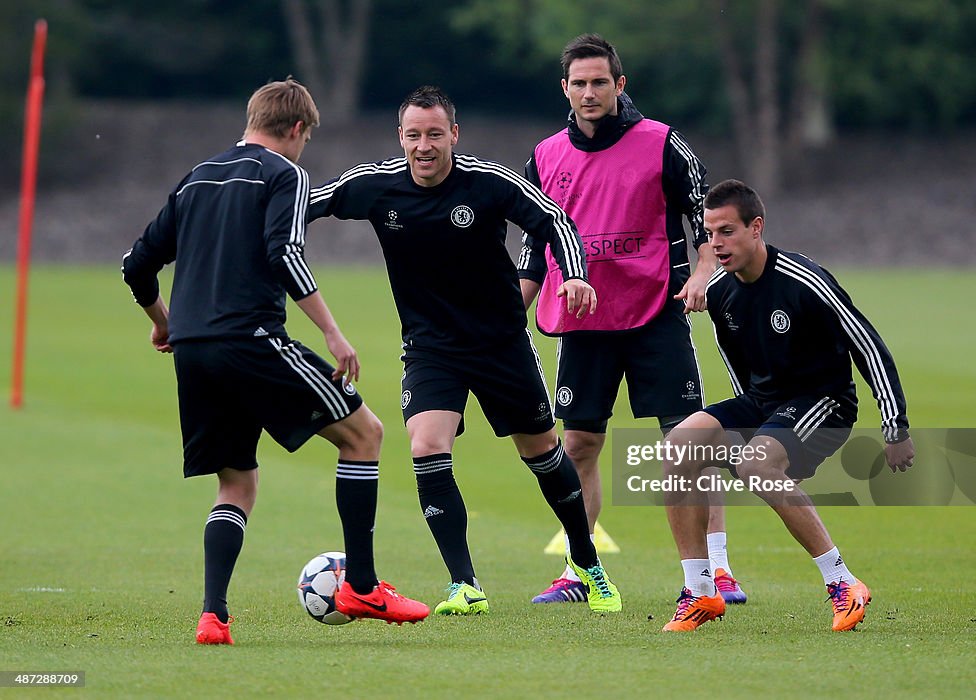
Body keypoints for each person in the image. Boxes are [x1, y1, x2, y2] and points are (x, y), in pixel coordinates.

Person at [120, 78, 430, 645]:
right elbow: (283, 252)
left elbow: (134, 265)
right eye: (305, 138)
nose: (303, 148)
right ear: (296, 129)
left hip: (193, 350)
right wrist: (334, 334)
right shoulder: (284, 174)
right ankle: (361, 584)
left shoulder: (196, 178)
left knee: (236, 481)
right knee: (364, 434)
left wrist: (163, 323)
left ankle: (213, 617)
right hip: (251, 340)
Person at [306, 85, 621, 615]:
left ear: (454, 133)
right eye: (413, 135)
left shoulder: (488, 181)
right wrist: (246, 226)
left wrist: (573, 275)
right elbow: (301, 204)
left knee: (542, 454)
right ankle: (465, 584)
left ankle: (588, 563)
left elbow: (555, 222)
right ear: (399, 137)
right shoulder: (374, 186)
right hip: (431, 347)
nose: (423, 145)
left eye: (434, 134)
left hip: (500, 343)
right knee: (427, 445)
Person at [518, 33, 746, 605]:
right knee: (578, 447)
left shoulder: (665, 146)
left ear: (620, 85)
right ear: (564, 89)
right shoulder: (545, 156)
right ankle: (580, 569)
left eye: (600, 82)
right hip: (585, 320)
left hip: (656, 318)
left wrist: (698, 278)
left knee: (688, 446)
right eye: (579, 83)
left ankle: (717, 569)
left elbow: (708, 230)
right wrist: (508, 315)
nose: (589, 92)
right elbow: (533, 249)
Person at [660, 179, 915, 632]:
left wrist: (895, 427)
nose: (715, 244)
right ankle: (700, 593)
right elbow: (743, 372)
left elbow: (869, 347)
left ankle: (843, 583)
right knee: (679, 448)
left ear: (756, 228)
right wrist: (756, 432)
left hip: (826, 403)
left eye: (726, 232)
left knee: (756, 465)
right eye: (709, 233)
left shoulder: (805, 281)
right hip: (765, 403)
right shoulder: (720, 293)